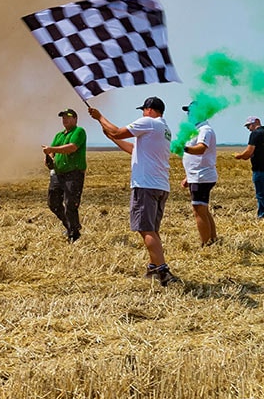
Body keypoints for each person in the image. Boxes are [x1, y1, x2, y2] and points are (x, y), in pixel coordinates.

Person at [87, 96, 176, 286]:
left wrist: (99, 117)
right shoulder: (164, 129)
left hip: (145, 185)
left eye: (143, 110)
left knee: (145, 228)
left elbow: (119, 132)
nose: (142, 113)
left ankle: (163, 272)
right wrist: (111, 135)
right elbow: (131, 148)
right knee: (152, 228)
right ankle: (153, 267)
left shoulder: (149, 122)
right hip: (160, 185)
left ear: (150, 110)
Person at [40, 108, 86, 242]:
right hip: (58, 173)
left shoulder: (79, 132)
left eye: (68, 117)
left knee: (70, 204)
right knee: (53, 203)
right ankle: (71, 226)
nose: (65, 119)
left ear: (75, 119)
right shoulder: (59, 135)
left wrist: (51, 149)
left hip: (74, 174)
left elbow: (72, 147)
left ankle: (74, 234)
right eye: (63, 117)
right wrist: (48, 156)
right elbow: (52, 152)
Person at [179, 103, 219, 246]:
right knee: (204, 210)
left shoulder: (205, 130)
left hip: (201, 177)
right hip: (197, 176)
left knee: (199, 211)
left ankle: (205, 244)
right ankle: (213, 240)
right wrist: (188, 177)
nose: (188, 115)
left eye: (191, 112)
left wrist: (183, 148)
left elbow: (201, 148)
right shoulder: (197, 130)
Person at [234, 116, 264, 220]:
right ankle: (261, 215)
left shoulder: (255, 134)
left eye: (249, 126)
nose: (249, 128)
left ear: (256, 122)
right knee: (263, 193)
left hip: (261, 170)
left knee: (261, 195)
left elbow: (248, 153)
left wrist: (239, 156)